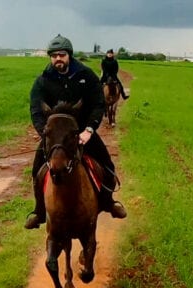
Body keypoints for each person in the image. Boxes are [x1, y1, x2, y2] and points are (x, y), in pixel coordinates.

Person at [25, 34, 127, 229]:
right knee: (37, 171)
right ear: (50, 58)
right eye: (54, 56)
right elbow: (36, 110)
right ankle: (39, 211)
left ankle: (108, 202)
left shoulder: (85, 75)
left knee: (107, 166)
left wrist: (89, 129)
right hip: (55, 137)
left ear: (69, 55)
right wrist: (46, 134)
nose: (58, 59)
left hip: (81, 132)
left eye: (61, 55)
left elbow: (98, 103)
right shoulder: (42, 81)